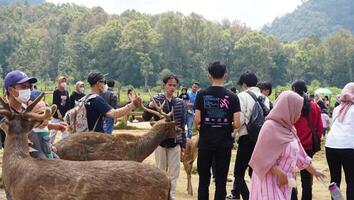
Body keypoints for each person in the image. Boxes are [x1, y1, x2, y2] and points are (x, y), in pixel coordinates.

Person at [249, 91, 325, 200]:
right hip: (268, 182)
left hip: (284, 183)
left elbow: (299, 154)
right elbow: (260, 158)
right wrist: (280, 173)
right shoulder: (269, 127)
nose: (299, 114)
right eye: (298, 110)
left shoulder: (290, 129)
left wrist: (315, 172)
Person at [194, 61, 240, 200]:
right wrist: (227, 126)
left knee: (204, 180)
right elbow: (237, 123)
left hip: (205, 143)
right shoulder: (232, 96)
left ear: (209, 76)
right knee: (221, 182)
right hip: (224, 144)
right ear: (225, 76)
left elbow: (197, 120)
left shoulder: (201, 94)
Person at [142, 74, 186, 200]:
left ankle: (171, 196)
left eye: (174, 85)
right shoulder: (156, 99)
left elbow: (182, 125)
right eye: (170, 85)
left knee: (174, 173)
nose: (172, 87)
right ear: (164, 85)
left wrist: (183, 144)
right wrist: (149, 106)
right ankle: (160, 195)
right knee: (160, 171)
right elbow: (145, 117)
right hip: (160, 142)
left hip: (175, 141)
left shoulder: (179, 102)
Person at [227, 71, 269, 200]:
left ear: (244, 84)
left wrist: (233, 132)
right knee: (255, 172)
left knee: (238, 173)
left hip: (246, 138)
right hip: (261, 140)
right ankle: (260, 196)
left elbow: (239, 120)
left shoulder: (242, 96)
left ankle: (248, 197)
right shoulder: (265, 98)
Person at [291, 80, 323, 200]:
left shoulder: (292, 105)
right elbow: (319, 128)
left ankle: (292, 197)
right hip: (308, 146)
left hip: (292, 146)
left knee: (290, 174)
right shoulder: (315, 106)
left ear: (294, 89)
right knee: (307, 177)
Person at [325, 82, 354, 199]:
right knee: (351, 180)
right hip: (348, 146)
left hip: (331, 145)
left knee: (335, 179)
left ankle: (335, 199)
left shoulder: (337, 108)